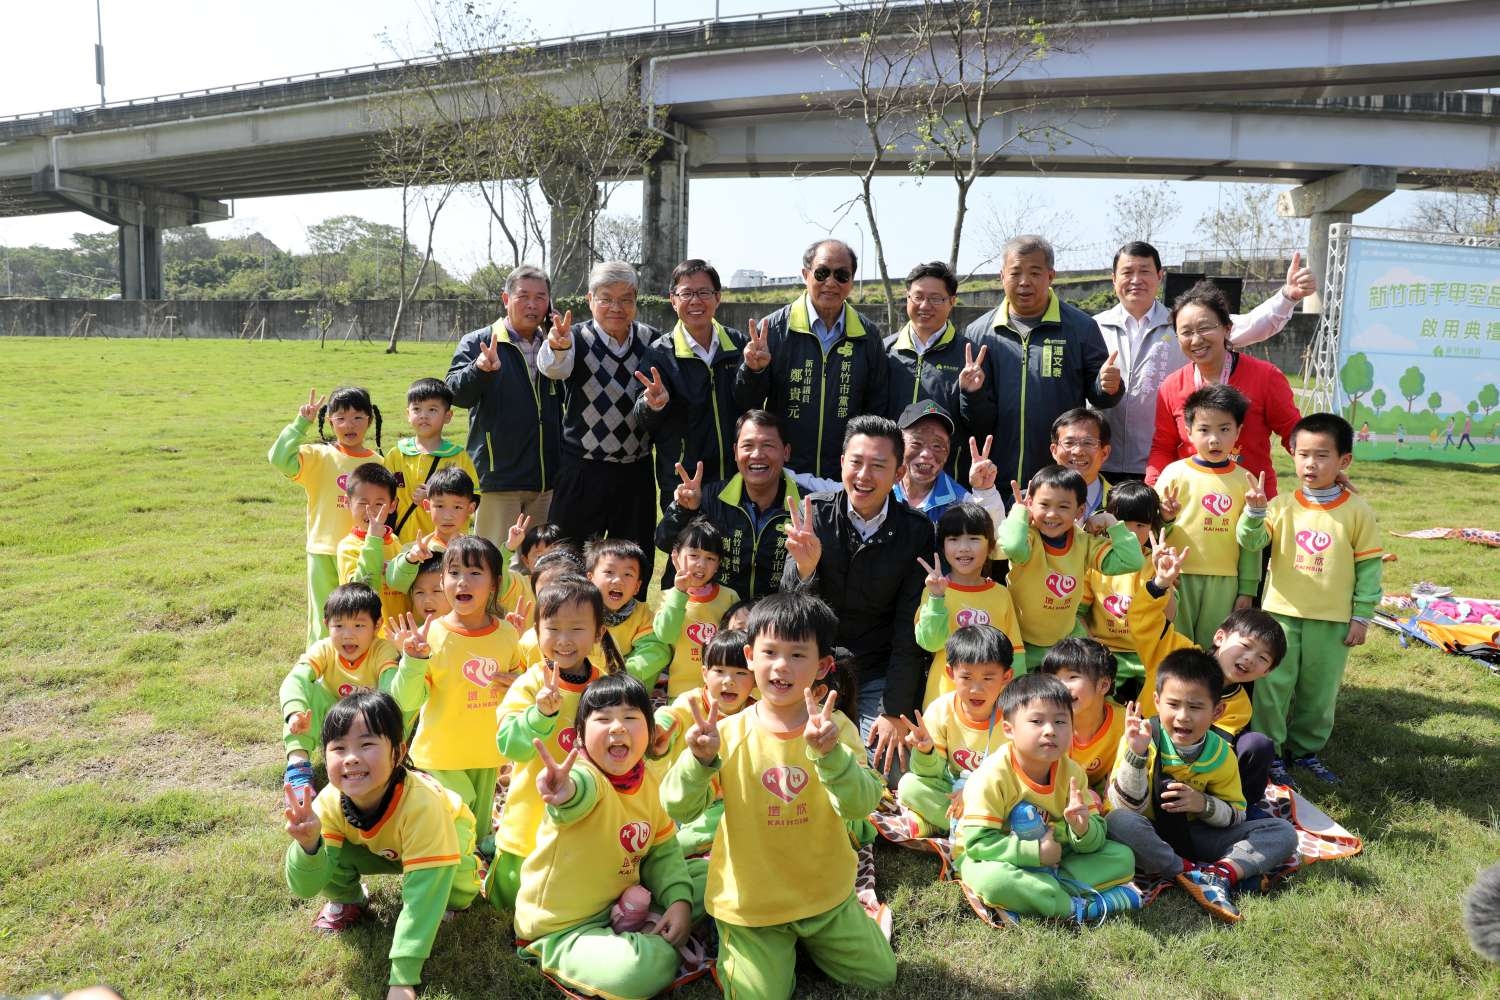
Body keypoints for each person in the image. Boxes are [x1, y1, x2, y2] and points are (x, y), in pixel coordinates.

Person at [660, 592, 897, 999]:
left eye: (797, 655)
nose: (781, 666)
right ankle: (745, 949)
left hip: (826, 896)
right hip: (753, 905)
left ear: (823, 666)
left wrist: (830, 756)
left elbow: (861, 804)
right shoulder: (729, 735)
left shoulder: (835, 729)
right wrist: (698, 761)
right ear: (750, 655)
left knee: (880, 977)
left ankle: (824, 935)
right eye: (770, 651)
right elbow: (678, 806)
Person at [282, 690, 481, 999]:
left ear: (398, 752)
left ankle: (469, 873)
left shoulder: (423, 806)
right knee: (327, 851)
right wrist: (308, 847)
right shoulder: (330, 803)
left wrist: (403, 978)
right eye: (338, 747)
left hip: (448, 834)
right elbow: (305, 886)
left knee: (454, 896)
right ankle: (349, 900)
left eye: (366, 744)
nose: (351, 757)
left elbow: (422, 897)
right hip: (383, 846)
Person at [511, 674, 698, 1000]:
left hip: (621, 900)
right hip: (564, 929)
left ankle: (653, 918)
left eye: (630, 717)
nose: (617, 727)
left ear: (650, 732)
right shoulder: (587, 776)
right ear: (580, 738)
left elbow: (663, 850)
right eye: (603, 719)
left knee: (711, 876)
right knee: (642, 968)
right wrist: (563, 790)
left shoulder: (649, 782)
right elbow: (576, 794)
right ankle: (648, 932)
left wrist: (680, 901)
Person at [780, 414, 936, 774]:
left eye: (878, 466)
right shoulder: (814, 515)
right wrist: (805, 569)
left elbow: (908, 632)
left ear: (898, 474)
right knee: (791, 762)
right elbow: (789, 615)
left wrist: (894, 711)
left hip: (874, 673)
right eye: (856, 463)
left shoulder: (915, 532)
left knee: (891, 767)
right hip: (813, 669)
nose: (864, 476)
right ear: (842, 463)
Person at [1239, 413, 1383, 786]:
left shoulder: (1357, 511)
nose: (1310, 464)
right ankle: (1269, 752)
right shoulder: (1280, 505)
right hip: (1280, 616)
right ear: (1291, 453)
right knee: (1272, 688)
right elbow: (1251, 542)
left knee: (1319, 693)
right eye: (1302, 454)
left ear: (1344, 461)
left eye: (1321, 455)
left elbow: (1369, 569)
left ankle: (1304, 752)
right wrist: (1254, 512)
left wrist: (1361, 616)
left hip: (1332, 620)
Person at [1095, 242, 1316, 481]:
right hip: (1109, 461)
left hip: (1237, 491)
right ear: (1113, 279)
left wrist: (1286, 297)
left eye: (1145, 271)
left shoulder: (1186, 317)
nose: (1196, 338)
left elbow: (1253, 323)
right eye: (1127, 272)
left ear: (1160, 276)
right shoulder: (1092, 327)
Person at [1105, 653, 1298, 924]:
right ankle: (1192, 873)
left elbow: (1236, 814)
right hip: (1149, 833)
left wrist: (1202, 804)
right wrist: (1136, 756)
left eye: (1196, 707)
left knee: (1283, 832)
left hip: (1198, 834)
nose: (1183, 717)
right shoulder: (1140, 738)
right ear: (1157, 702)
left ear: (1217, 711)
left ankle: (1219, 874)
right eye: (1173, 704)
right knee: (1116, 822)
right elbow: (1126, 808)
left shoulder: (1220, 753)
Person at [954, 673, 1142, 924]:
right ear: (1009, 729)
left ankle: (1038, 894)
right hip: (996, 858)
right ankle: (1072, 908)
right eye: (1037, 721)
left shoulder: (1072, 772)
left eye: (1061, 721)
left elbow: (1093, 842)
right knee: (992, 881)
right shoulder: (991, 776)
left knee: (1122, 858)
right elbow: (977, 844)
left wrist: (1083, 828)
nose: (1050, 731)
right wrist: (1034, 853)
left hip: (1056, 857)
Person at [387, 537, 525, 859]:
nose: (462, 581)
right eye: (454, 572)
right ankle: (450, 875)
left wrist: (516, 684)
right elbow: (406, 700)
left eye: (476, 573)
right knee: (457, 815)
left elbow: (518, 684)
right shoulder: (430, 635)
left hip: (487, 750)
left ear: (495, 584)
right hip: (441, 753)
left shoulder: (507, 634)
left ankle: (474, 865)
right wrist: (413, 660)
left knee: (476, 828)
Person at [489, 577, 623, 909]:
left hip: (583, 815)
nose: (564, 640)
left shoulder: (606, 689)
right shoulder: (529, 684)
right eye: (553, 629)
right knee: (507, 898)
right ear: (537, 632)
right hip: (528, 815)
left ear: (598, 634)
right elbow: (510, 746)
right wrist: (540, 715)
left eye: (577, 629)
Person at [1128, 542, 1285, 809]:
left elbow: (1206, 749)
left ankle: (1238, 812)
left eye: (1262, 658)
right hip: (1142, 756)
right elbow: (1143, 622)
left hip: (1193, 784)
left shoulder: (1238, 706)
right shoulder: (1176, 652)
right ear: (1220, 637)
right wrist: (1160, 585)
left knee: (1257, 745)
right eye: (1245, 646)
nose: (1249, 659)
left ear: (1267, 671)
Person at [965, 235, 1123, 490]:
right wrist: (969, 393)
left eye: (1035, 272)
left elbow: (1101, 396)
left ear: (1051, 276)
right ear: (1002, 276)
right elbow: (974, 417)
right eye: (1015, 273)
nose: (1025, 282)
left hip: (1058, 478)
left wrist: (1109, 386)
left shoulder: (1081, 327)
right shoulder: (979, 332)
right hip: (995, 476)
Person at [538, 261, 659, 583]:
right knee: (566, 561)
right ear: (590, 300)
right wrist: (558, 346)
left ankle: (630, 631)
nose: (616, 307)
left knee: (633, 563)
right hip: (582, 468)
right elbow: (554, 367)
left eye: (625, 299)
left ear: (636, 301)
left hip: (635, 471)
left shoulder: (652, 340)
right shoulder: (573, 337)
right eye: (606, 298)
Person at [736, 239, 890, 481]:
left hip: (846, 476)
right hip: (786, 472)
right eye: (822, 273)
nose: (830, 282)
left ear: (851, 281)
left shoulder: (867, 335)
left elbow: (877, 405)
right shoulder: (773, 330)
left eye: (841, 275)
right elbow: (747, 404)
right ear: (805, 274)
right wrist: (754, 371)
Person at [1146, 281, 1301, 498]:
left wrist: (1325, 463)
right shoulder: (1171, 387)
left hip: (1252, 503)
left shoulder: (1265, 377)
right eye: (1186, 332)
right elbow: (1163, 447)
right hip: (1190, 504)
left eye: (1205, 328)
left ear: (1227, 328)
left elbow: (1294, 432)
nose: (1196, 339)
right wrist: (1153, 491)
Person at [446, 264, 563, 544]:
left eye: (541, 297)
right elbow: (455, 394)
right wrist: (479, 369)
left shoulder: (555, 343)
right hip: (499, 479)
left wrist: (562, 345)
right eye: (523, 296)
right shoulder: (480, 341)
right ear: (506, 299)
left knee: (538, 567)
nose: (533, 305)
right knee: (494, 562)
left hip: (547, 480)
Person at [632, 259, 757, 512]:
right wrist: (652, 405)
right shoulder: (659, 354)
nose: (696, 301)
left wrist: (757, 371)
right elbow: (643, 419)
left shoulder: (739, 344)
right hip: (684, 480)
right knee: (686, 550)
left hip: (738, 475)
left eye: (704, 292)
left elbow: (752, 403)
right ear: (673, 300)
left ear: (718, 297)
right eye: (686, 293)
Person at [998, 465, 1144, 672]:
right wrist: (1019, 511)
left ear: (1080, 511)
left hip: (1065, 640)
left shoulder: (1083, 542)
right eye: (1044, 504)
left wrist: (1112, 523)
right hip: (1023, 641)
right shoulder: (1028, 537)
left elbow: (1132, 561)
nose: (1052, 514)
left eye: (1063, 507)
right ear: (1031, 504)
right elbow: (1012, 546)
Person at [1152, 385, 1264, 647]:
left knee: (1215, 645)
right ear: (1188, 432)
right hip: (1178, 576)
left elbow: (1250, 541)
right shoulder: (1174, 473)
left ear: (1238, 432)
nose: (1214, 439)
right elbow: (1153, 530)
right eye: (1204, 430)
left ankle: (1211, 688)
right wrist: (1165, 517)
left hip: (1224, 580)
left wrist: (1247, 588)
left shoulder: (1243, 480)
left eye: (1224, 429)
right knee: (1174, 643)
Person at [269, 386, 383, 644]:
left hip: (361, 551)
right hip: (323, 550)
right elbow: (278, 459)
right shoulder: (318, 456)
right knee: (325, 616)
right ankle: (319, 671)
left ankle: (358, 674)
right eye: (340, 418)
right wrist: (301, 424)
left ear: (370, 420)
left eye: (357, 417)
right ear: (329, 420)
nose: (349, 424)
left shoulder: (378, 463)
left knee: (359, 615)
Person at [655, 410, 800, 599]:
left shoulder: (807, 507)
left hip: (775, 619)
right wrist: (685, 510)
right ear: (735, 452)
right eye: (747, 446)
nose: (757, 454)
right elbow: (665, 542)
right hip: (718, 615)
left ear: (786, 452)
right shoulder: (712, 497)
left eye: (768, 445)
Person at [279, 584, 401, 794]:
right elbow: (295, 679)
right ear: (327, 624)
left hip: (369, 720)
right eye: (339, 626)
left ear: (377, 625)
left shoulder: (383, 649)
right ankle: (298, 768)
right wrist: (294, 713)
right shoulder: (324, 648)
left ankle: (387, 762)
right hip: (332, 720)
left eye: (359, 626)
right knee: (306, 696)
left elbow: (391, 689)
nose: (348, 635)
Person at [896, 624, 1015, 839]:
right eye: (966, 678)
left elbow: (1019, 774)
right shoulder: (940, 710)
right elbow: (929, 775)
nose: (976, 689)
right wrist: (925, 751)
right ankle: (980, 831)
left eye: (988, 678)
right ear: (951, 673)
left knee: (1024, 808)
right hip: (953, 791)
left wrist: (974, 792)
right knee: (908, 786)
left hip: (997, 796)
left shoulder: (1015, 715)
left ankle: (946, 825)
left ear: (1006, 677)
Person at [884, 261, 996, 484]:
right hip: (890, 480)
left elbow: (982, 426)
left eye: (936, 298)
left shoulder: (971, 355)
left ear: (952, 302)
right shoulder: (885, 350)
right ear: (907, 298)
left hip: (947, 480)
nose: (925, 305)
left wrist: (971, 394)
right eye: (918, 297)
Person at [650, 629, 755, 858]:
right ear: (705, 673)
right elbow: (672, 715)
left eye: (741, 672)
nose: (729, 681)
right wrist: (659, 729)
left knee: (706, 832)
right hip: (685, 795)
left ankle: (675, 853)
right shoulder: (693, 702)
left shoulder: (755, 711)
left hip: (724, 802)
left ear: (755, 676)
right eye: (719, 671)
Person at [915, 502, 1024, 709]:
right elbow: (930, 642)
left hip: (993, 703)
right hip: (944, 702)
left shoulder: (1001, 594)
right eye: (953, 539)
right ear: (943, 546)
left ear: (991, 546)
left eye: (974, 539)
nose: (963, 547)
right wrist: (937, 598)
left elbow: (1015, 653)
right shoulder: (933, 591)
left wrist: (1016, 700)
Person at [1078, 481, 1180, 699]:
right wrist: (1091, 642)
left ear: (1152, 526)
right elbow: (1079, 613)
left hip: (1148, 651)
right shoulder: (1098, 563)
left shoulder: (1156, 562)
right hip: (1108, 652)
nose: (1132, 533)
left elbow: (1169, 616)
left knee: (1163, 697)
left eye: (1141, 526)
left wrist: (1165, 580)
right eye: (1124, 525)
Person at [383, 378, 481, 545]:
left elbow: (474, 498)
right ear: (408, 414)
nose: (423, 416)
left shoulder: (458, 456)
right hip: (403, 542)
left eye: (432, 409)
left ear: (448, 416)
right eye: (416, 409)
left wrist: (434, 496)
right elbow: (383, 498)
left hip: (448, 544)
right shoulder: (396, 454)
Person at [652, 519, 741, 698]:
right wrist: (679, 592)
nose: (701, 564)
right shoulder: (669, 597)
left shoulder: (729, 597)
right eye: (693, 556)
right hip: (679, 692)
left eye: (710, 558)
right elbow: (665, 635)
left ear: (717, 565)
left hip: (723, 692)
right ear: (675, 557)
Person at [1038, 638, 1124, 800]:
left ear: (1103, 685)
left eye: (1072, 677)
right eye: (1054, 679)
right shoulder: (1045, 726)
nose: (1061, 686)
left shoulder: (1124, 724)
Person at [584, 538, 672, 688]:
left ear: (637, 587)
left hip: (624, 687)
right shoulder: (578, 610)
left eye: (628, 574)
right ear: (590, 578)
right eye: (609, 572)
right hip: (584, 680)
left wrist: (624, 671)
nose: (618, 580)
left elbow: (656, 649)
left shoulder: (641, 614)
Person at [335, 463, 412, 626]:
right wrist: (374, 540)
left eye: (379, 503)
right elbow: (362, 589)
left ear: (392, 505)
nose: (371, 510)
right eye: (363, 503)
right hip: (369, 639)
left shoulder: (395, 542)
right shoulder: (347, 548)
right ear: (348, 503)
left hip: (402, 634)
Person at [1049, 408, 1113, 519]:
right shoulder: (1028, 501)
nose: (1078, 451)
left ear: (1104, 453)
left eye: (1088, 442)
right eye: (1069, 442)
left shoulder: (1123, 504)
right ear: (1054, 450)